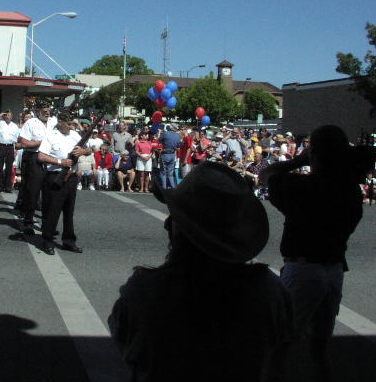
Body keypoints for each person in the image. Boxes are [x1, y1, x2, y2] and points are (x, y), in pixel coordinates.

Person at [108, 162, 293, 381]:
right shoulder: (269, 292)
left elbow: (126, 344)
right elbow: (280, 359)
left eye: (177, 217)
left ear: (185, 231)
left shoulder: (146, 290)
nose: (167, 223)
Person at [259, 125, 370, 382]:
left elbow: (267, 174)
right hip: (334, 268)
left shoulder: (303, 187)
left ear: (315, 154)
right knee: (319, 348)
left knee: (278, 346)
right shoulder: (351, 190)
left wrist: (298, 161)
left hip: (303, 269)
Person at [37, 111, 91, 255]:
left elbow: (89, 150)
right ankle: (47, 240)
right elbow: (41, 156)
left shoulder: (75, 135)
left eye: (72, 123)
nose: (71, 126)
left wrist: (83, 151)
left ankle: (69, 241)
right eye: (68, 124)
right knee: (52, 211)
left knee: (69, 211)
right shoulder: (51, 136)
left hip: (71, 177)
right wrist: (60, 162)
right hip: (55, 175)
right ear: (60, 123)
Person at [17, 102, 57, 235]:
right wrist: (43, 142)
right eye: (45, 111)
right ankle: (28, 222)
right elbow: (24, 143)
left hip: (50, 159)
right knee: (32, 192)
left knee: (49, 193)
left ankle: (47, 225)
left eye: (49, 110)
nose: (47, 113)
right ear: (37, 110)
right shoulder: (31, 123)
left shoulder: (53, 122)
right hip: (34, 158)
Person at [0, 110, 19, 193]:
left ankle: (8, 187)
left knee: (9, 167)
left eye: (9, 115)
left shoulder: (15, 126)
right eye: (6, 115)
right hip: (1, 146)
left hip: (10, 147)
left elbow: (16, 139)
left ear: (11, 117)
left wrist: (15, 150)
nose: (7, 116)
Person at [158, 124, 181, 189]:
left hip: (165, 154)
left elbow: (159, 140)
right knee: (170, 173)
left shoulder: (166, 133)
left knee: (163, 172)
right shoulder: (178, 135)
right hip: (173, 154)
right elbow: (178, 145)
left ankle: (164, 187)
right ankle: (173, 187)